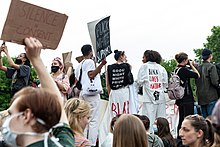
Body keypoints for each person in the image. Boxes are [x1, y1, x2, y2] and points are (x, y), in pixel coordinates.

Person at [0, 37, 75, 146]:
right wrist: (36, 58)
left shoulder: (25, 68)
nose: (5, 122)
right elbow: (57, 102)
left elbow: (57, 101)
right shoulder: (64, 143)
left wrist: (33, 58)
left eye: (11, 114)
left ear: (27, 115)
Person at [99, 49, 135, 146]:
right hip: (123, 92)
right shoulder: (127, 66)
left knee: (113, 113)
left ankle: (112, 131)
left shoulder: (109, 67)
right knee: (124, 111)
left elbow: (108, 84)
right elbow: (130, 80)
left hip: (114, 93)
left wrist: (111, 93)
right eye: (124, 55)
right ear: (121, 56)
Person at [75, 44, 107, 146]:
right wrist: (102, 64)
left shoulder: (79, 65)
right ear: (90, 52)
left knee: (83, 118)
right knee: (93, 120)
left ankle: (82, 142)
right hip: (92, 94)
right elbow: (91, 74)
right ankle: (91, 143)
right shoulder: (89, 62)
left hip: (83, 92)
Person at [136, 50, 168, 133]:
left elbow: (139, 81)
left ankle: (149, 140)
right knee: (162, 121)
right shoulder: (161, 68)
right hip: (160, 98)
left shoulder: (144, 67)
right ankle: (163, 138)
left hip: (148, 98)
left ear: (147, 57)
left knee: (148, 121)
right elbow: (165, 84)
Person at [174, 52, 200, 138]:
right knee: (189, 119)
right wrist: (192, 65)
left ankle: (179, 137)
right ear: (185, 60)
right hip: (187, 98)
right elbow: (197, 75)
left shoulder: (176, 69)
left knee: (181, 118)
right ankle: (188, 137)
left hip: (179, 98)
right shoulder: (184, 70)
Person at [196, 48, 219, 118]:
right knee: (211, 119)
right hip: (211, 97)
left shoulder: (198, 68)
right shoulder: (212, 67)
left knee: (204, 120)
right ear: (210, 56)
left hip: (201, 97)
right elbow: (215, 82)